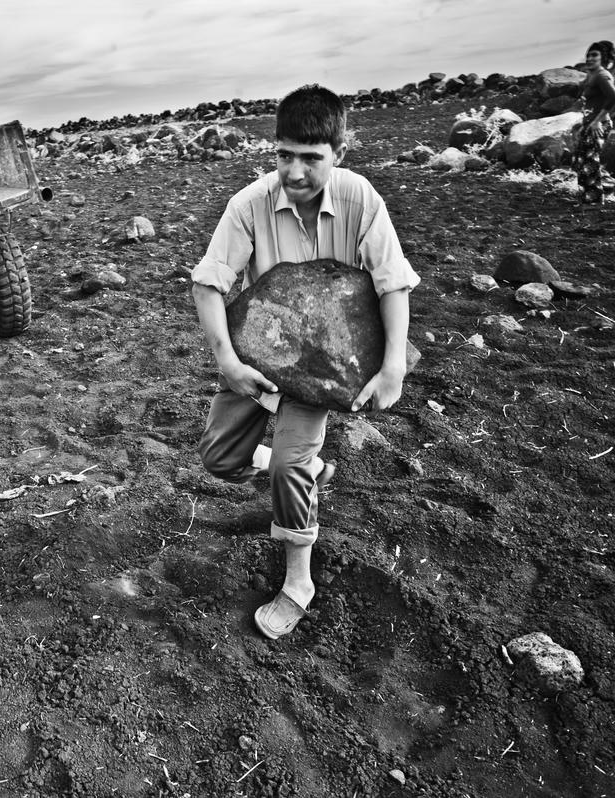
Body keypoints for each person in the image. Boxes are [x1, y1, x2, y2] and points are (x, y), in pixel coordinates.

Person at [192, 85, 419, 640]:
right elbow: (208, 283)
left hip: (322, 370)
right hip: (261, 354)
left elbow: (392, 282)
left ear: (339, 152)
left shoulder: (361, 198)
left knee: (290, 464)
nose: (294, 171)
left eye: (312, 158)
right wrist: (229, 364)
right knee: (219, 458)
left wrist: (391, 367)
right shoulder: (249, 204)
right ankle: (307, 472)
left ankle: (299, 581)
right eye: (284, 154)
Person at [574, 40, 615, 204]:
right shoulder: (592, 75)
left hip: (598, 124)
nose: (590, 58)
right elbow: (591, 104)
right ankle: (595, 193)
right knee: (580, 161)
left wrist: (597, 122)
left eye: (594, 55)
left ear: (603, 58)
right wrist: (584, 124)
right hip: (590, 124)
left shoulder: (602, 75)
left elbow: (614, 97)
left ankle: (594, 201)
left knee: (589, 163)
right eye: (588, 55)